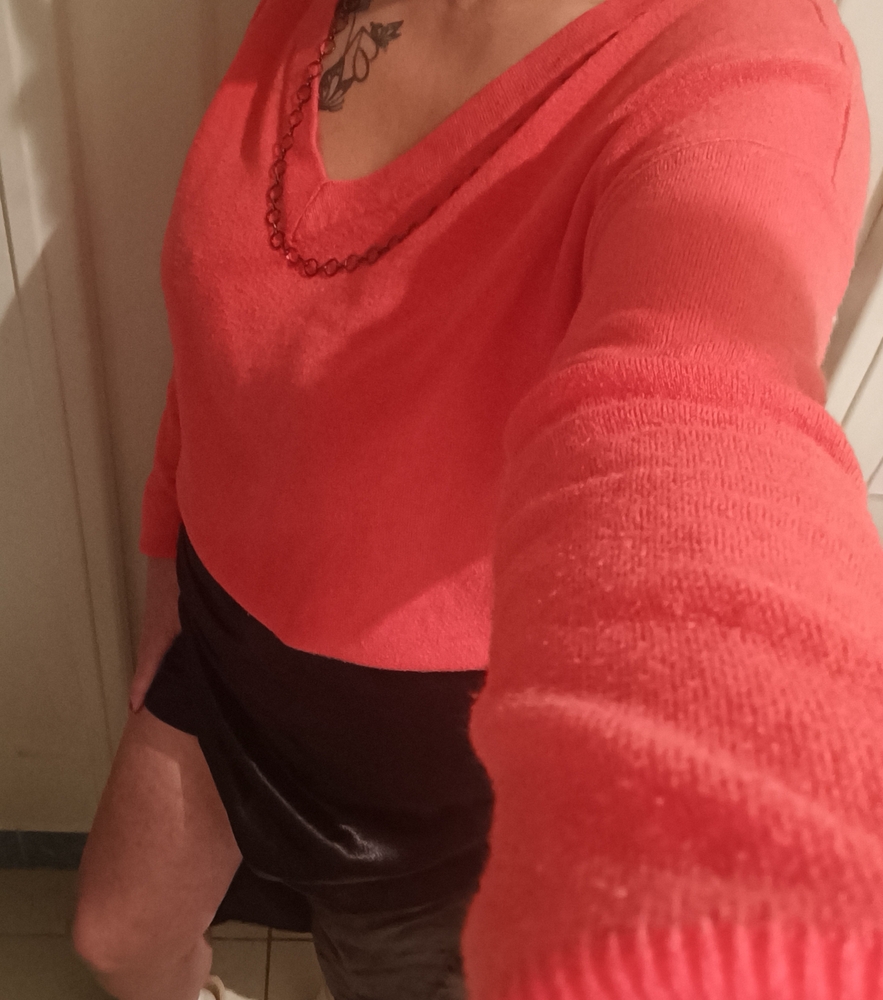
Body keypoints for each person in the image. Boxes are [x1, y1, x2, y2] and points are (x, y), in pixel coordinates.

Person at [72, 0, 883, 997]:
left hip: (431, 767)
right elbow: (229, 326)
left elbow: (702, 419)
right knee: (117, 935)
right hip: (225, 653)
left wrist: (732, 912)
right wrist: (165, 548)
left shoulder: (745, 72)